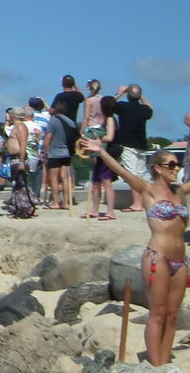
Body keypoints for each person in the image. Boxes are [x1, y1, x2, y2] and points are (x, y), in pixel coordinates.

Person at [84, 140, 188, 367]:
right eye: (170, 165)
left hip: (181, 260)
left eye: (177, 165)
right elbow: (121, 170)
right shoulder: (148, 190)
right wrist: (101, 151)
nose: (175, 169)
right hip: (157, 257)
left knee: (172, 316)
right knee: (158, 313)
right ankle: (156, 364)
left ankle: (165, 362)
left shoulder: (180, 191)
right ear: (158, 168)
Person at [112, 84, 154, 212]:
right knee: (140, 176)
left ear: (128, 96)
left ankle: (137, 204)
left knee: (132, 176)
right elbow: (150, 108)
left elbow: (109, 104)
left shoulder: (123, 107)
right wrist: (141, 96)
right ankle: (141, 203)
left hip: (128, 145)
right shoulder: (144, 110)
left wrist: (120, 93)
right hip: (141, 145)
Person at [83, 95, 119, 220]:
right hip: (101, 153)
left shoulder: (110, 119)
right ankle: (95, 210)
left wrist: (95, 139)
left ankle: (110, 212)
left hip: (107, 153)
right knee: (96, 182)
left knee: (106, 182)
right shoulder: (106, 119)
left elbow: (110, 137)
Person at [40, 104, 76, 211]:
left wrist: (43, 150)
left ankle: (55, 202)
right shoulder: (71, 122)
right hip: (67, 153)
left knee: (54, 178)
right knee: (65, 178)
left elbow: (48, 137)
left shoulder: (53, 121)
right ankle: (65, 202)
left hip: (55, 153)